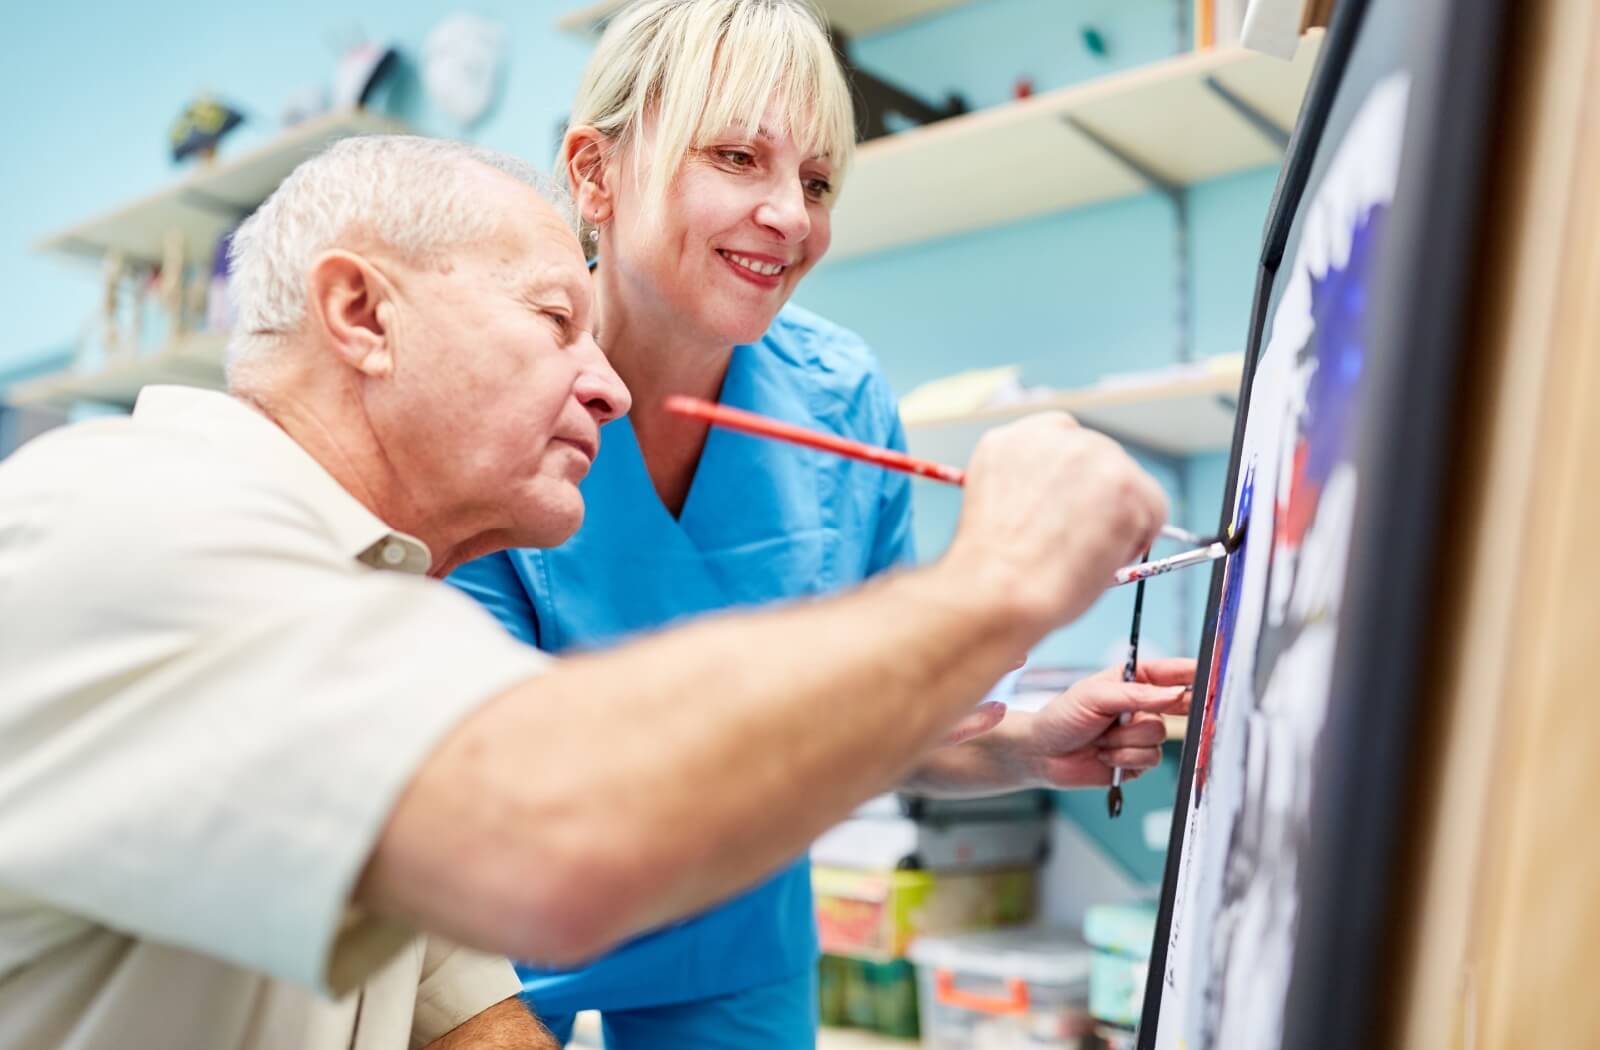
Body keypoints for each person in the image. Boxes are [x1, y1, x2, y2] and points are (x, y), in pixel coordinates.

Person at [0, 134, 1181, 1050]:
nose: (608, 386)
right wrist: (1001, 577)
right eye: (554, 317)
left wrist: (1005, 727)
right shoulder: (132, 526)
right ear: (361, 314)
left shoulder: (362, 600)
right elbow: (548, 846)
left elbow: (456, 1010)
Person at [448, 1, 1197, 1046]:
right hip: (489, 950)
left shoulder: (838, 396)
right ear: (593, 175)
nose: (790, 218)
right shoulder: (484, 405)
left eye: (815, 182)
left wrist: (1026, 745)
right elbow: (473, 788)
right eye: (736, 157)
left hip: (736, 947)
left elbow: (866, 730)